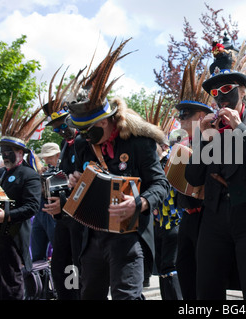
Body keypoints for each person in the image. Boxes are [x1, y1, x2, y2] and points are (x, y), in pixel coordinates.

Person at [66, 39, 170, 300]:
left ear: (110, 119)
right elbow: (81, 179)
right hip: (91, 237)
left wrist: (140, 202)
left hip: (127, 236)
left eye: (93, 130)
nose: (87, 137)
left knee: (127, 297)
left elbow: (161, 185)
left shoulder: (139, 144)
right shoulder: (83, 145)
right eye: (82, 132)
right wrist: (75, 181)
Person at [185, 36, 246, 300]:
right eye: (214, 93)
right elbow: (193, 177)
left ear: (242, 91)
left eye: (226, 88)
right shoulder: (208, 128)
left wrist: (240, 128)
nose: (220, 97)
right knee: (206, 290)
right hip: (214, 218)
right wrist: (203, 140)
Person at [40, 71, 85, 300]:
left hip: (83, 218)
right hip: (66, 218)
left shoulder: (84, 141)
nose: (61, 130)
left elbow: (88, 182)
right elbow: (66, 178)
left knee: (78, 268)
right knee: (61, 267)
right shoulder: (66, 145)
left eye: (63, 124)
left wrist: (65, 201)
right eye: (56, 128)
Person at [173, 57, 214, 300]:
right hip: (186, 219)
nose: (181, 119)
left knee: (206, 280)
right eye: (180, 115)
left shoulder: (215, 141)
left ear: (202, 116)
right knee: (186, 272)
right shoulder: (181, 145)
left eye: (187, 114)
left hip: (208, 218)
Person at [0, 104, 43, 299]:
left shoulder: (29, 175)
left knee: (11, 283)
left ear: (21, 152)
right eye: (2, 151)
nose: (4, 154)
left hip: (14, 237)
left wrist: (6, 216)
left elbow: (32, 207)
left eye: (8, 151)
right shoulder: (0, 174)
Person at [153, 143, 184, 300]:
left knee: (170, 266)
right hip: (158, 224)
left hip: (174, 222)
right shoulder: (152, 167)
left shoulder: (171, 163)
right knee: (162, 267)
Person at [30, 143, 60, 262]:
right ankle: (39, 279)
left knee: (58, 250)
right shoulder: (44, 170)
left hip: (55, 212)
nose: (46, 160)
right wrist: (41, 177)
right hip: (41, 210)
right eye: (45, 158)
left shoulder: (64, 169)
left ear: (58, 156)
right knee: (37, 251)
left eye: (49, 157)